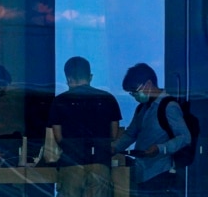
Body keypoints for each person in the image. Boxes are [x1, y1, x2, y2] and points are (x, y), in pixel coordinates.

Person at [112, 63, 191, 197]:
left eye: (135, 91)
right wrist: (114, 147)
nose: (135, 96)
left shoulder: (168, 106)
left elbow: (185, 137)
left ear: (148, 84)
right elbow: (131, 134)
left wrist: (160, 148)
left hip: (162, 173)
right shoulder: (142, 108)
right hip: (143, 173)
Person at [49, 56, 122, 197]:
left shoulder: (60, 101)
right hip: (100, 163)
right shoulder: (108, 99)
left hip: (71, 163)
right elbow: (113, 134)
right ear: (90, 76)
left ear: (69, 79)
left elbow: (58, 137)